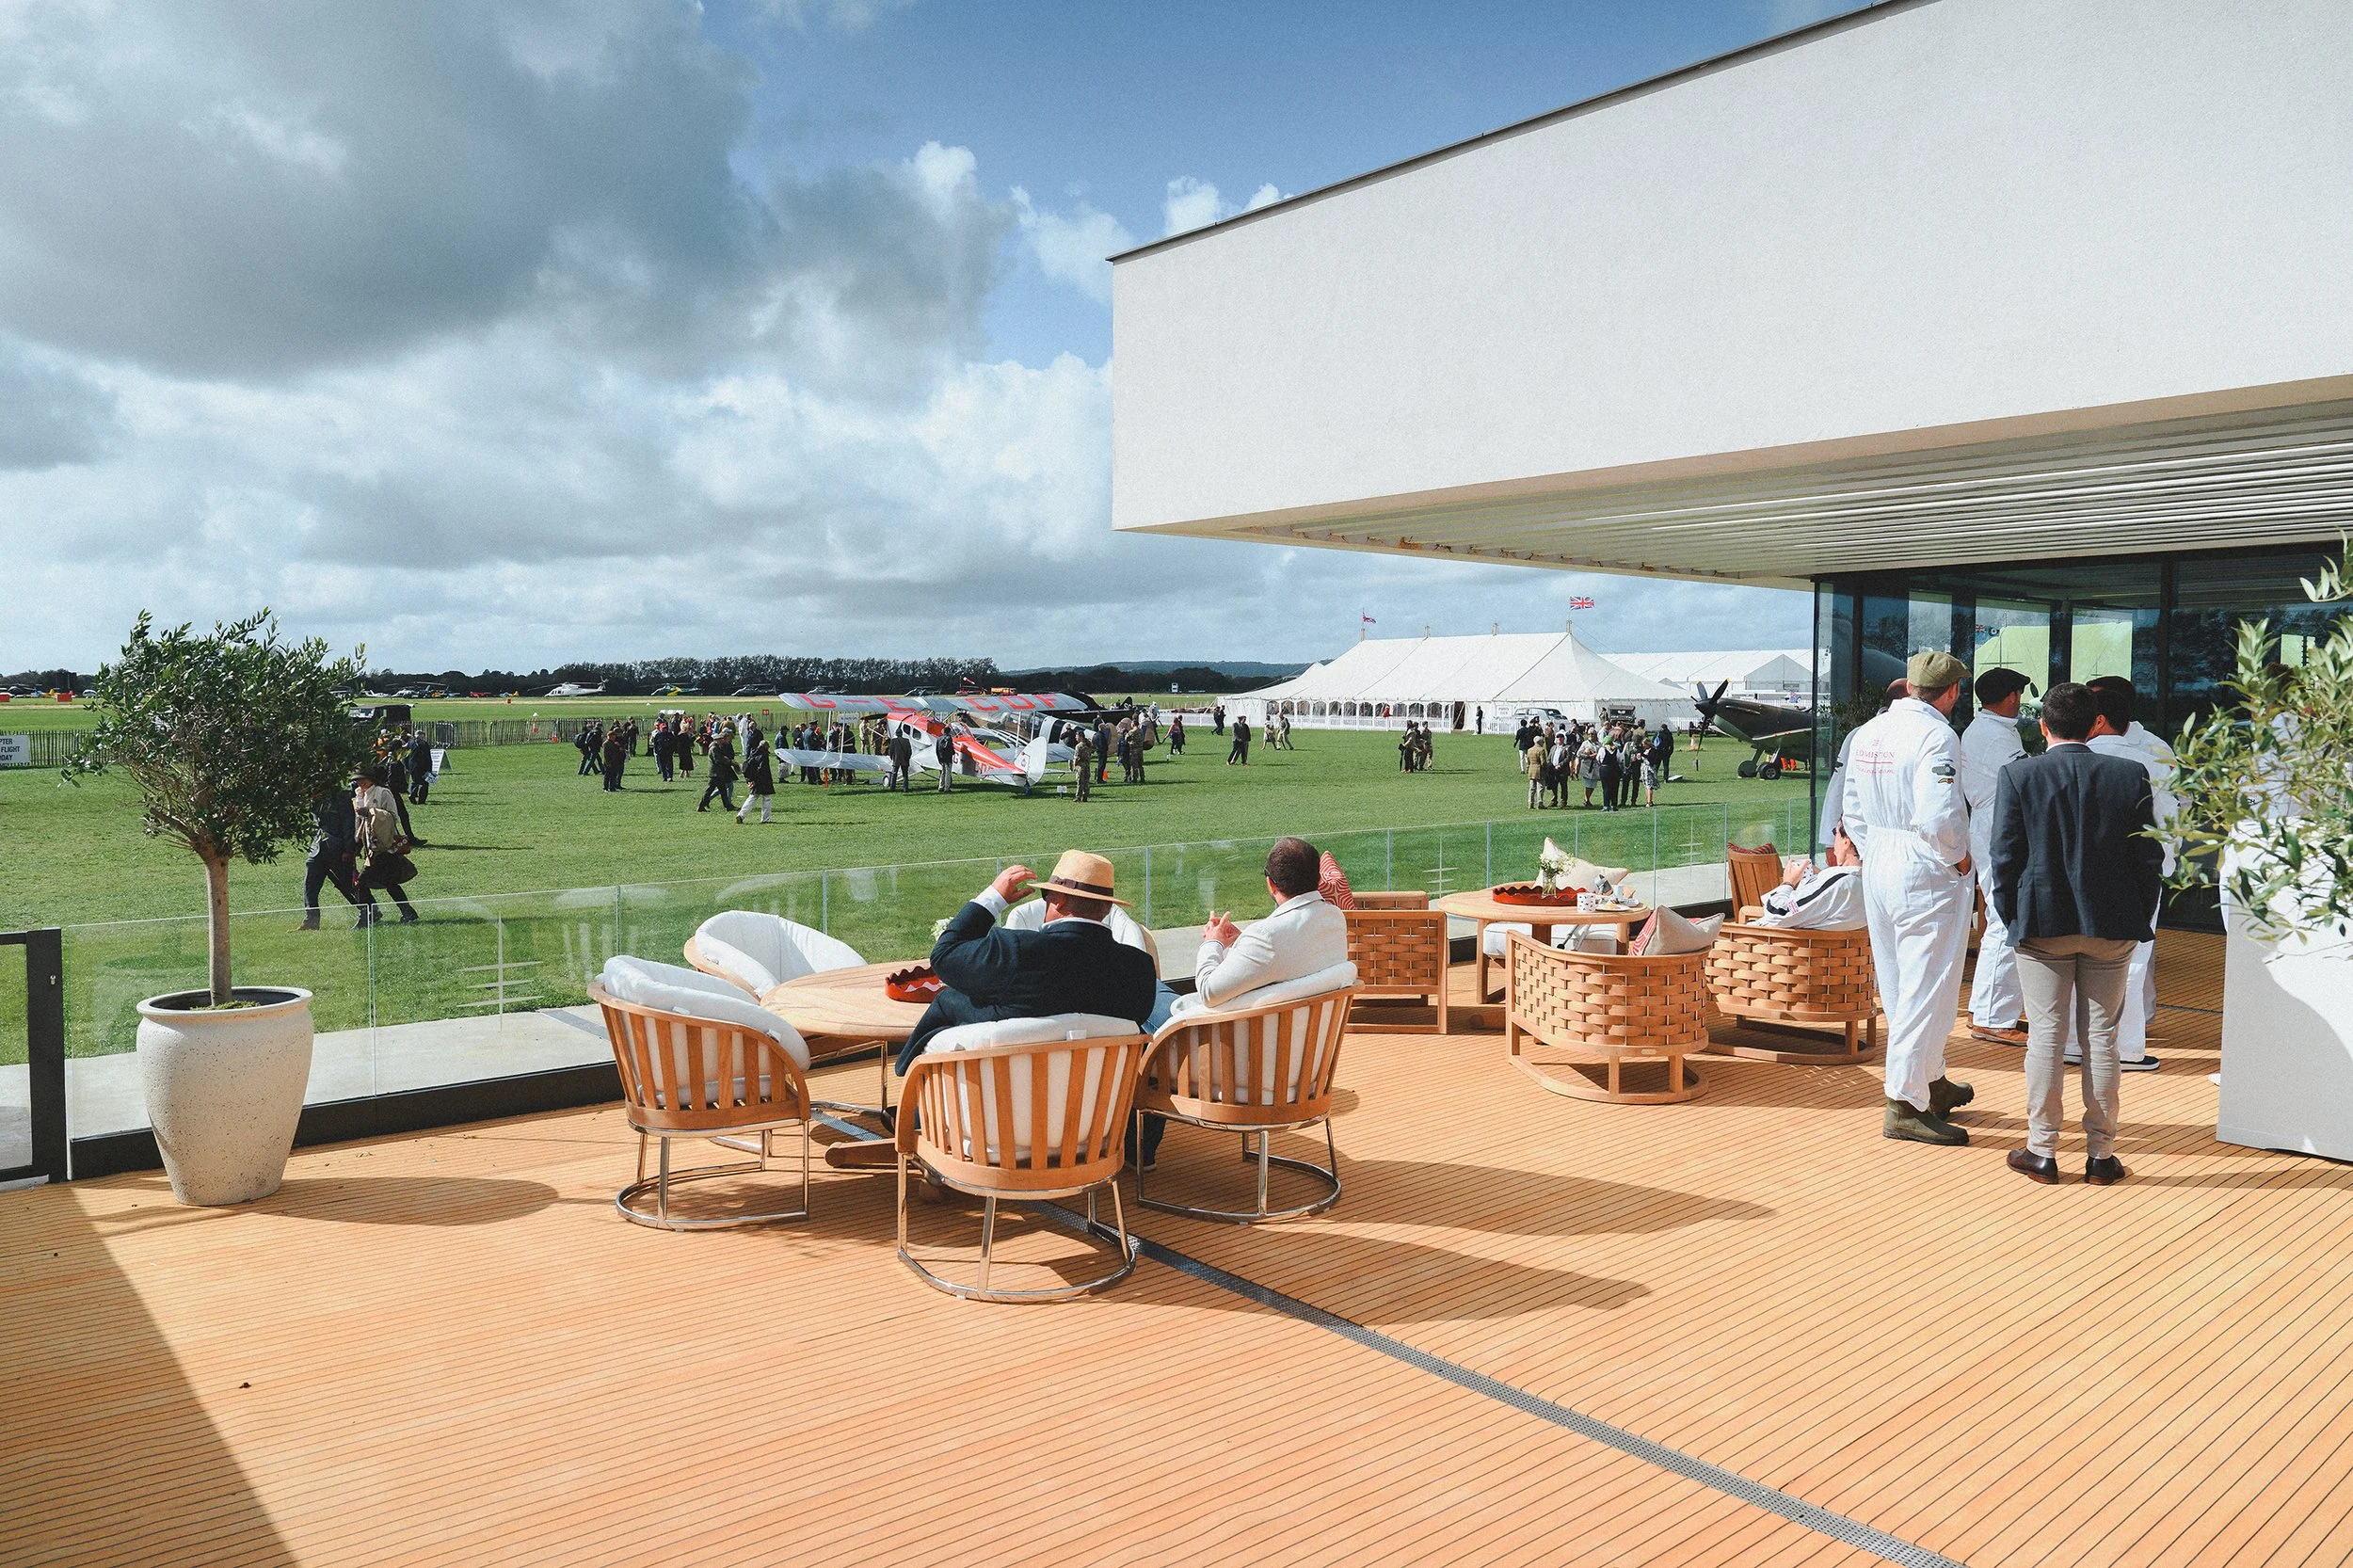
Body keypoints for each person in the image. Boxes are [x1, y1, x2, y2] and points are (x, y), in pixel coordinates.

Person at [1990, 681, 2164, 1185]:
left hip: (2043, 924)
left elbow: (2005, 857)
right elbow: (2147, 858)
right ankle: (2101, 1155)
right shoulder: (2129, 774)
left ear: (2043, 725)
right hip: (2111, 923)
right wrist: (2137, 913)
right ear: (2096, 726)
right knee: (2102, 1038)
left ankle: (2042, 1150)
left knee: (2046, 1034)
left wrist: (2013, 918)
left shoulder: (2020, 774)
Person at [1846, 650, 1977, 1145]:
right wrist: (1959, 858)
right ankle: (1903, 1102)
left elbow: (1852, 808)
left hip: (1879, 856)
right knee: (1929, 986)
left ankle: (1927, 1082)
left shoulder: (1868, 731)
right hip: (1923, 864)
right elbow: (1939, 814)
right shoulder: (1937, 735)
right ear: (1952, 691)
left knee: (1900, 983)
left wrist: (1871, 846)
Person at [897, 852, 1159, 1076]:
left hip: (994, 1117)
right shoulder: (1139, 969)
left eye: (1047, 894)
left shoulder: (1017, 951)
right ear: (1106, 908)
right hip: (1100, 1120)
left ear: (1060, 900)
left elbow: (945, 955)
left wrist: (993, 898)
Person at [2085, 676, 2174, 1073]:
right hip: (2135, 869)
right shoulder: (2148, 753)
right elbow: (2172, 815)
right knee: (2131, 961)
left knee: (2082, 957)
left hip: (2089, 869)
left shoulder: (2152, 749)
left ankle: (2078, 1043)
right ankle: (2126, 1047)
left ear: (2100, 717)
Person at [1961, 667, 2034, 1046]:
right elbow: (2025, 778)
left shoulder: (1993, 730)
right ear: (2011, 697)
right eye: (2018, 694)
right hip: (1998, 824)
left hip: (1995, 823)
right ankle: (1992, 1016)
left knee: (2004, 915)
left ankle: (1986, 1008)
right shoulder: (1993, 735)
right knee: (2008, 917)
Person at [1751, 828, 1865, 929]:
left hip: (1766, 946)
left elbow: (1778, 912)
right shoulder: (1867, 883)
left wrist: (1788, 883)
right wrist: (1820, 878)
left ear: (1846, 842)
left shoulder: (1841, 883)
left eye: (1835, 832)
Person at [296, 786, 368, 930]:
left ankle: (370, 911)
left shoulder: (341, 796)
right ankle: (311, 919)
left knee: (348, 883)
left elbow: (348, 824)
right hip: (317, 848)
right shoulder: (312, 798)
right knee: (310, 884)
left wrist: (348, 849)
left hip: (337, 848)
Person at [353, 770, 419, 923]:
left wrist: (369, 812)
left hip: (385, 845)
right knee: (390, 883)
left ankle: (369, 915)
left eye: (363, 779)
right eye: (358, 780)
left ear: (371, 779)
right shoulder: (358, 794)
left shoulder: (384, 792)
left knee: (361, 883)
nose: (360, 783)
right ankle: (408, 913)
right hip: (371, 846)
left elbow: (392, 816)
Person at [736, 724, 776, 824]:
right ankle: (765, 819)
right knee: (766, 799)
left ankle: (741, 815)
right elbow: (763, 769)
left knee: (752, 797)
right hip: (763, 780)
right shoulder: (764, 755)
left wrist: (751, 780)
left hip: (754, 779)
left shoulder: (753, 753)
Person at [697, 728, 737, 813]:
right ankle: (701, 806)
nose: (721, 741)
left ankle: (728, 806)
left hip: (717, 773)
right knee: (709, 791)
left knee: (723, 791)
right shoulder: (714, 748)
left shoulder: (715, 747)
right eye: (720, 739)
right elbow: (717, 760)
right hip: (715, 773)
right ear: (716, 740)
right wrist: (728, 761)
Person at [406, 729, 434, 806]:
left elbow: (406, 754)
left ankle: (412, 794)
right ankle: (421, 800)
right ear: (421, 735)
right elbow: (428, 757)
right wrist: (430, 768)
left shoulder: (410, 742)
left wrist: (407, 765)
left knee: (415, 781)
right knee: (424, 783)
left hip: (412, 765)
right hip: (422, 766)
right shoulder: (424, 744)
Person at [885, 724, 913, 792]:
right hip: (905, 760)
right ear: (901, 734)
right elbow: (910, 751)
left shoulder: (893, 741)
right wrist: (907, 758)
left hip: (896, 760)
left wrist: (893, 758)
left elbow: (890, 751)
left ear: (897, 734)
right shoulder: (906, 740)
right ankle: (905, 788)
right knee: (905, 775)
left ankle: (892, 787)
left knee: (894, 774)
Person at [1523, 730, 1545, 809]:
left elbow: (1528, 761)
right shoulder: (1541, 750)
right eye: (1543, 741)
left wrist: (1528, 768)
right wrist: (1546, 769)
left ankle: (1530, 803)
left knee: (1532, 788)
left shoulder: (1529, 750)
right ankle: (1540, 803)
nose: (1543, 743)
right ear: (1539, 742)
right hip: (1539, 770)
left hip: (1531, 770)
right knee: (1540, 787)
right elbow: (1543, 762)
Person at [600, 724, 625, 792]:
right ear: (609, 736)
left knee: (613, 775)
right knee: (607, 775)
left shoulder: (613, 743)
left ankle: (612, 787)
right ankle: (605, 787)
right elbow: (605, 754)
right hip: (609, 762)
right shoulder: (606, 743)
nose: (614, 738)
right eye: (613, 736)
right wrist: (608, 762)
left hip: (614, 761)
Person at [933, 727, 955, 792]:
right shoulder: (949, 738)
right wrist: (953, 752)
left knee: (943, 772)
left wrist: (939, 758)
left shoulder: (939, 738)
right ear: (949, 732)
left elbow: (937, 749)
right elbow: (950, 747)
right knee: (948, 773)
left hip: (941, 757)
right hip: (948, 758)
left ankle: (941, 786)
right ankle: (947, 788)